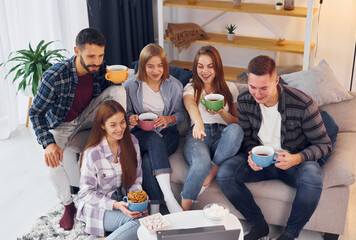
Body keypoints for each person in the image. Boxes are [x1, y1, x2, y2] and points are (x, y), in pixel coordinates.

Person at [217, 55, 339, 240]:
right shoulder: (244, 100)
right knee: (225, 174)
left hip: (293, 160)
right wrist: (251, 155)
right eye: (252, 87)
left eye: (264, 88)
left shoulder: (303, 104)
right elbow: (248, 138)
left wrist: (297, 158)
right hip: (263, 159)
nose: (257, 94)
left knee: (313, 178)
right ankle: (258, 225)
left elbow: (324, 144)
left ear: (276, 80)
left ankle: (289, 235)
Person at [29, 28, 126, 230]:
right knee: (52, 164)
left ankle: (121, 139)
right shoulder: (54, 76)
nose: (96, 61)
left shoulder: (99, 68)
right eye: (91, 56)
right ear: (76, 51)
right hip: (61, 125)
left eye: (100, 55)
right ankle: (68, 205)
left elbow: (108, 97)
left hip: (87, 117)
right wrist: (48, 144)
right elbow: (35, 113)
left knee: (118, 90)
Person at [181, 45, 244, 211]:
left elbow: (236, 123)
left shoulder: (231, 88)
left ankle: (213, 171)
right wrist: (198, 122)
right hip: (199, 134)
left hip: (223, 136)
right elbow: (190, 106)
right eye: (200, 66)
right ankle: (183, 211)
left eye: (210, 66)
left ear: (217, 67)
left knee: (236, 131)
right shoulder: (191, 87)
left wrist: (221, 111)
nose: (205, 71)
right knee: (201, 163)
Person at [124, 43, 184, 214]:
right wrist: (131, 118)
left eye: (160, 65)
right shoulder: (131, 86)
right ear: (143, 66)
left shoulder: (175, 85)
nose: (156, 71)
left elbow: (181, 114)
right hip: (141, 133)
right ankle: (170, 198)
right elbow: (127, 112)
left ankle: (155, 208)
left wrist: (168, 119)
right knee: (151, 139)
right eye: (150, 66)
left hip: (168, 133)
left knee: (149, 160)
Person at [76, 100, 143, 239]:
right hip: (98, 208)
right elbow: (85, 193)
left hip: (123, 202)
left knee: (144, 222)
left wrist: (136, 203)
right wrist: (116, 205)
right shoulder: (92, 153)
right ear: (102, 125)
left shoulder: (133, 142)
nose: (120, 129)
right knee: (138, 224)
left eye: (122, 122)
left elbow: (136, 179)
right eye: (113, 125)